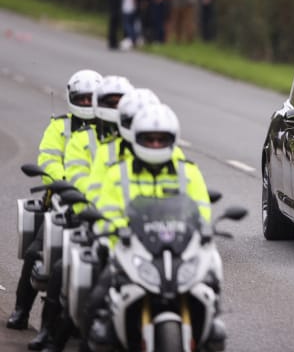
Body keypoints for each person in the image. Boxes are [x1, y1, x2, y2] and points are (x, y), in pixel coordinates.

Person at [85, 103, 226, 351]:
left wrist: (203, 231)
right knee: (96, 297)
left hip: (178, 250)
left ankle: (208, 328)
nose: (155, 145)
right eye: (149, 139)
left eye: (161, 139)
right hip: (132, 249)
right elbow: (105, 210)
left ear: (173, 139)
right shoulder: (118, 172)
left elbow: (201, 211)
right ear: (136, 138)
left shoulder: (188, 171)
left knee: (210, 285)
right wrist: (119, 229)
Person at [6, 69, 102, 351]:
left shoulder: (108, 133)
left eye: (91, 99)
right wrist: (65, 185)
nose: (86, 104)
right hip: (61, 202)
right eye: (81, 99)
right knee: (38, 252)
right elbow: (48, 160)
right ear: (71, 98)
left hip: (96, 206)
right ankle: (22, 311)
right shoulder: (60, 127)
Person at [37, 76, 135, 352]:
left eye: (160, 138)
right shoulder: (84, 140)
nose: (154, 143)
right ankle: (48, 333)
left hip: (136, 235)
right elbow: (87, 183)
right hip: (89, 218)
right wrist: (84, 206)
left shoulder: (158, 159)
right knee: (57, 265)